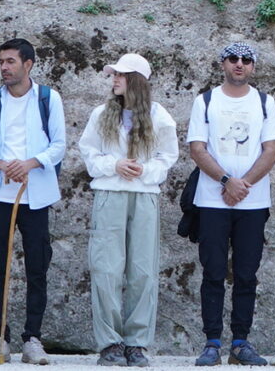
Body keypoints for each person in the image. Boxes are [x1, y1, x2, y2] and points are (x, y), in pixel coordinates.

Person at [188, 43, 275, 366]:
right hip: (212, 201)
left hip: (252, 203)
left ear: (254, 67)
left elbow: (271, 149)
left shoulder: (264, 102)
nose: (239, 65)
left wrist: (243, 184)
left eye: (246, 60)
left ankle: (241, 342)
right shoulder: (205, 101)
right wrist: (226, 181)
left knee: (247, 273)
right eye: (233, 59)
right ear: (223, 64)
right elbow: (198, 149)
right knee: (213, 271)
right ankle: (212, 342)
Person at [81, 53, 181, 368]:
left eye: (121, 75)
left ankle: (137, 344)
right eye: (114, 75)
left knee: (142, 271)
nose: (115, 80)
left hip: (144, 195)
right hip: (110, 193)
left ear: (135, 79)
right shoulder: (101, 114)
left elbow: (168, 155)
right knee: (106, 269)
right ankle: (110, 343)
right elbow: (89, 152)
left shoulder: (159, 116)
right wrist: (115, 164)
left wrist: (144, 171)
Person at [0, 38, 65, 365]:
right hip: (0, 193)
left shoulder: (48, 98)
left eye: (10, 61)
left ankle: (32, 338)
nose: (4, 68)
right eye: (1, 62)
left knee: (37, 265)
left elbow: (59, 145)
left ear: (28, 64)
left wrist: (30, 163)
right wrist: (1, 164)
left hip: (36, 193)